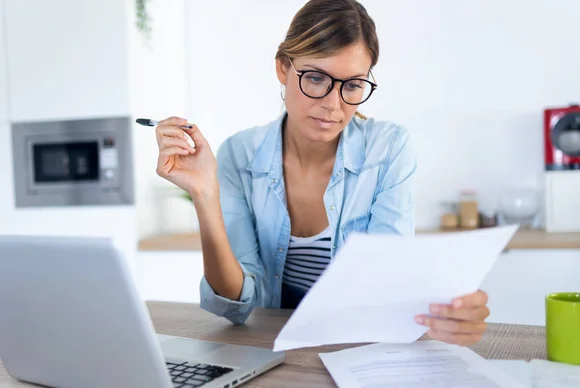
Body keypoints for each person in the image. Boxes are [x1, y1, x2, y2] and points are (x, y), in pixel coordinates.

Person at [154, 0, 489, 346]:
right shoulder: (239, 155)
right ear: (283, 68)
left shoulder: (388, 150)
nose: (333, 105)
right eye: (315, 78)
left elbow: (388, 283)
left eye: (353, 85)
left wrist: (443, 310)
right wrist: (204, 194)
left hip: (355, 348)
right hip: (271, 349)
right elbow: (236, 306)